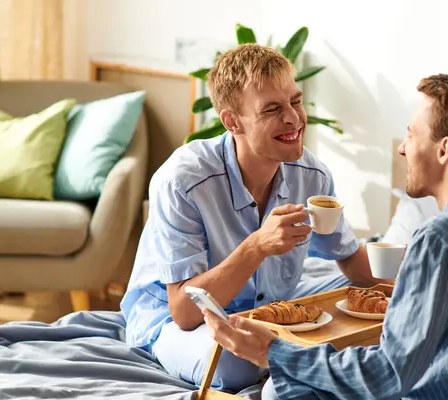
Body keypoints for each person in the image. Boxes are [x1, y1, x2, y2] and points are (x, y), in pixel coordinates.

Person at [204, 74, 448, 399]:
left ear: (444, 150)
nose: (402, 148)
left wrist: (273, 352)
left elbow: (386, 375)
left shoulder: (444, 236)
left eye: (410, 134)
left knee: (286, 389)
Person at [120, 43, 381, 392]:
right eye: (272, 109)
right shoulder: (183, 181)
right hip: (176, 320)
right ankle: (294, 363)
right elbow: (184, 311)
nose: (293, 118)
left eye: (296, 101)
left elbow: (351, 262)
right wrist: (256, 246)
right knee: (234, 367)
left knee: (367, 312)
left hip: (271, 311)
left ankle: (293, 360)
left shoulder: (312, 175)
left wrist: (415, 275)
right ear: (232, 121)